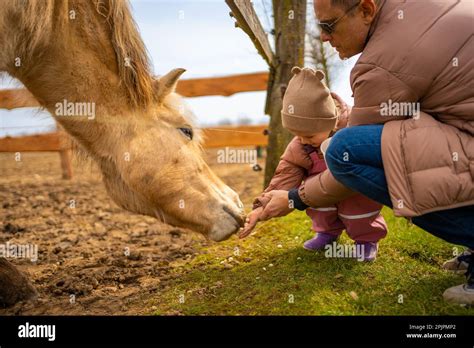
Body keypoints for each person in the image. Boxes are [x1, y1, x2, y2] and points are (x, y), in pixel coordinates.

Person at [255, 0, 474, 304]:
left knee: (343, 149)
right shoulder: (419, 10)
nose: (323, 37)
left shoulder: (380, 63)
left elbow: (350, 160)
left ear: (366, 10)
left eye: (328, 25)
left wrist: (294, 198)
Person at [240, 67, 387, 261]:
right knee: (317, 204)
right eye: (297, 135)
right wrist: (261, 207)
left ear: (331, 123)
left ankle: (366, 241)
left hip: (354, 191)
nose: (302, 140)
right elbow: (285, 175)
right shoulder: (301, 145)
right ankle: (327, 233)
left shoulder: (353, 131)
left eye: (308, 135)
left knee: (358, 210)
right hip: (319, 192)